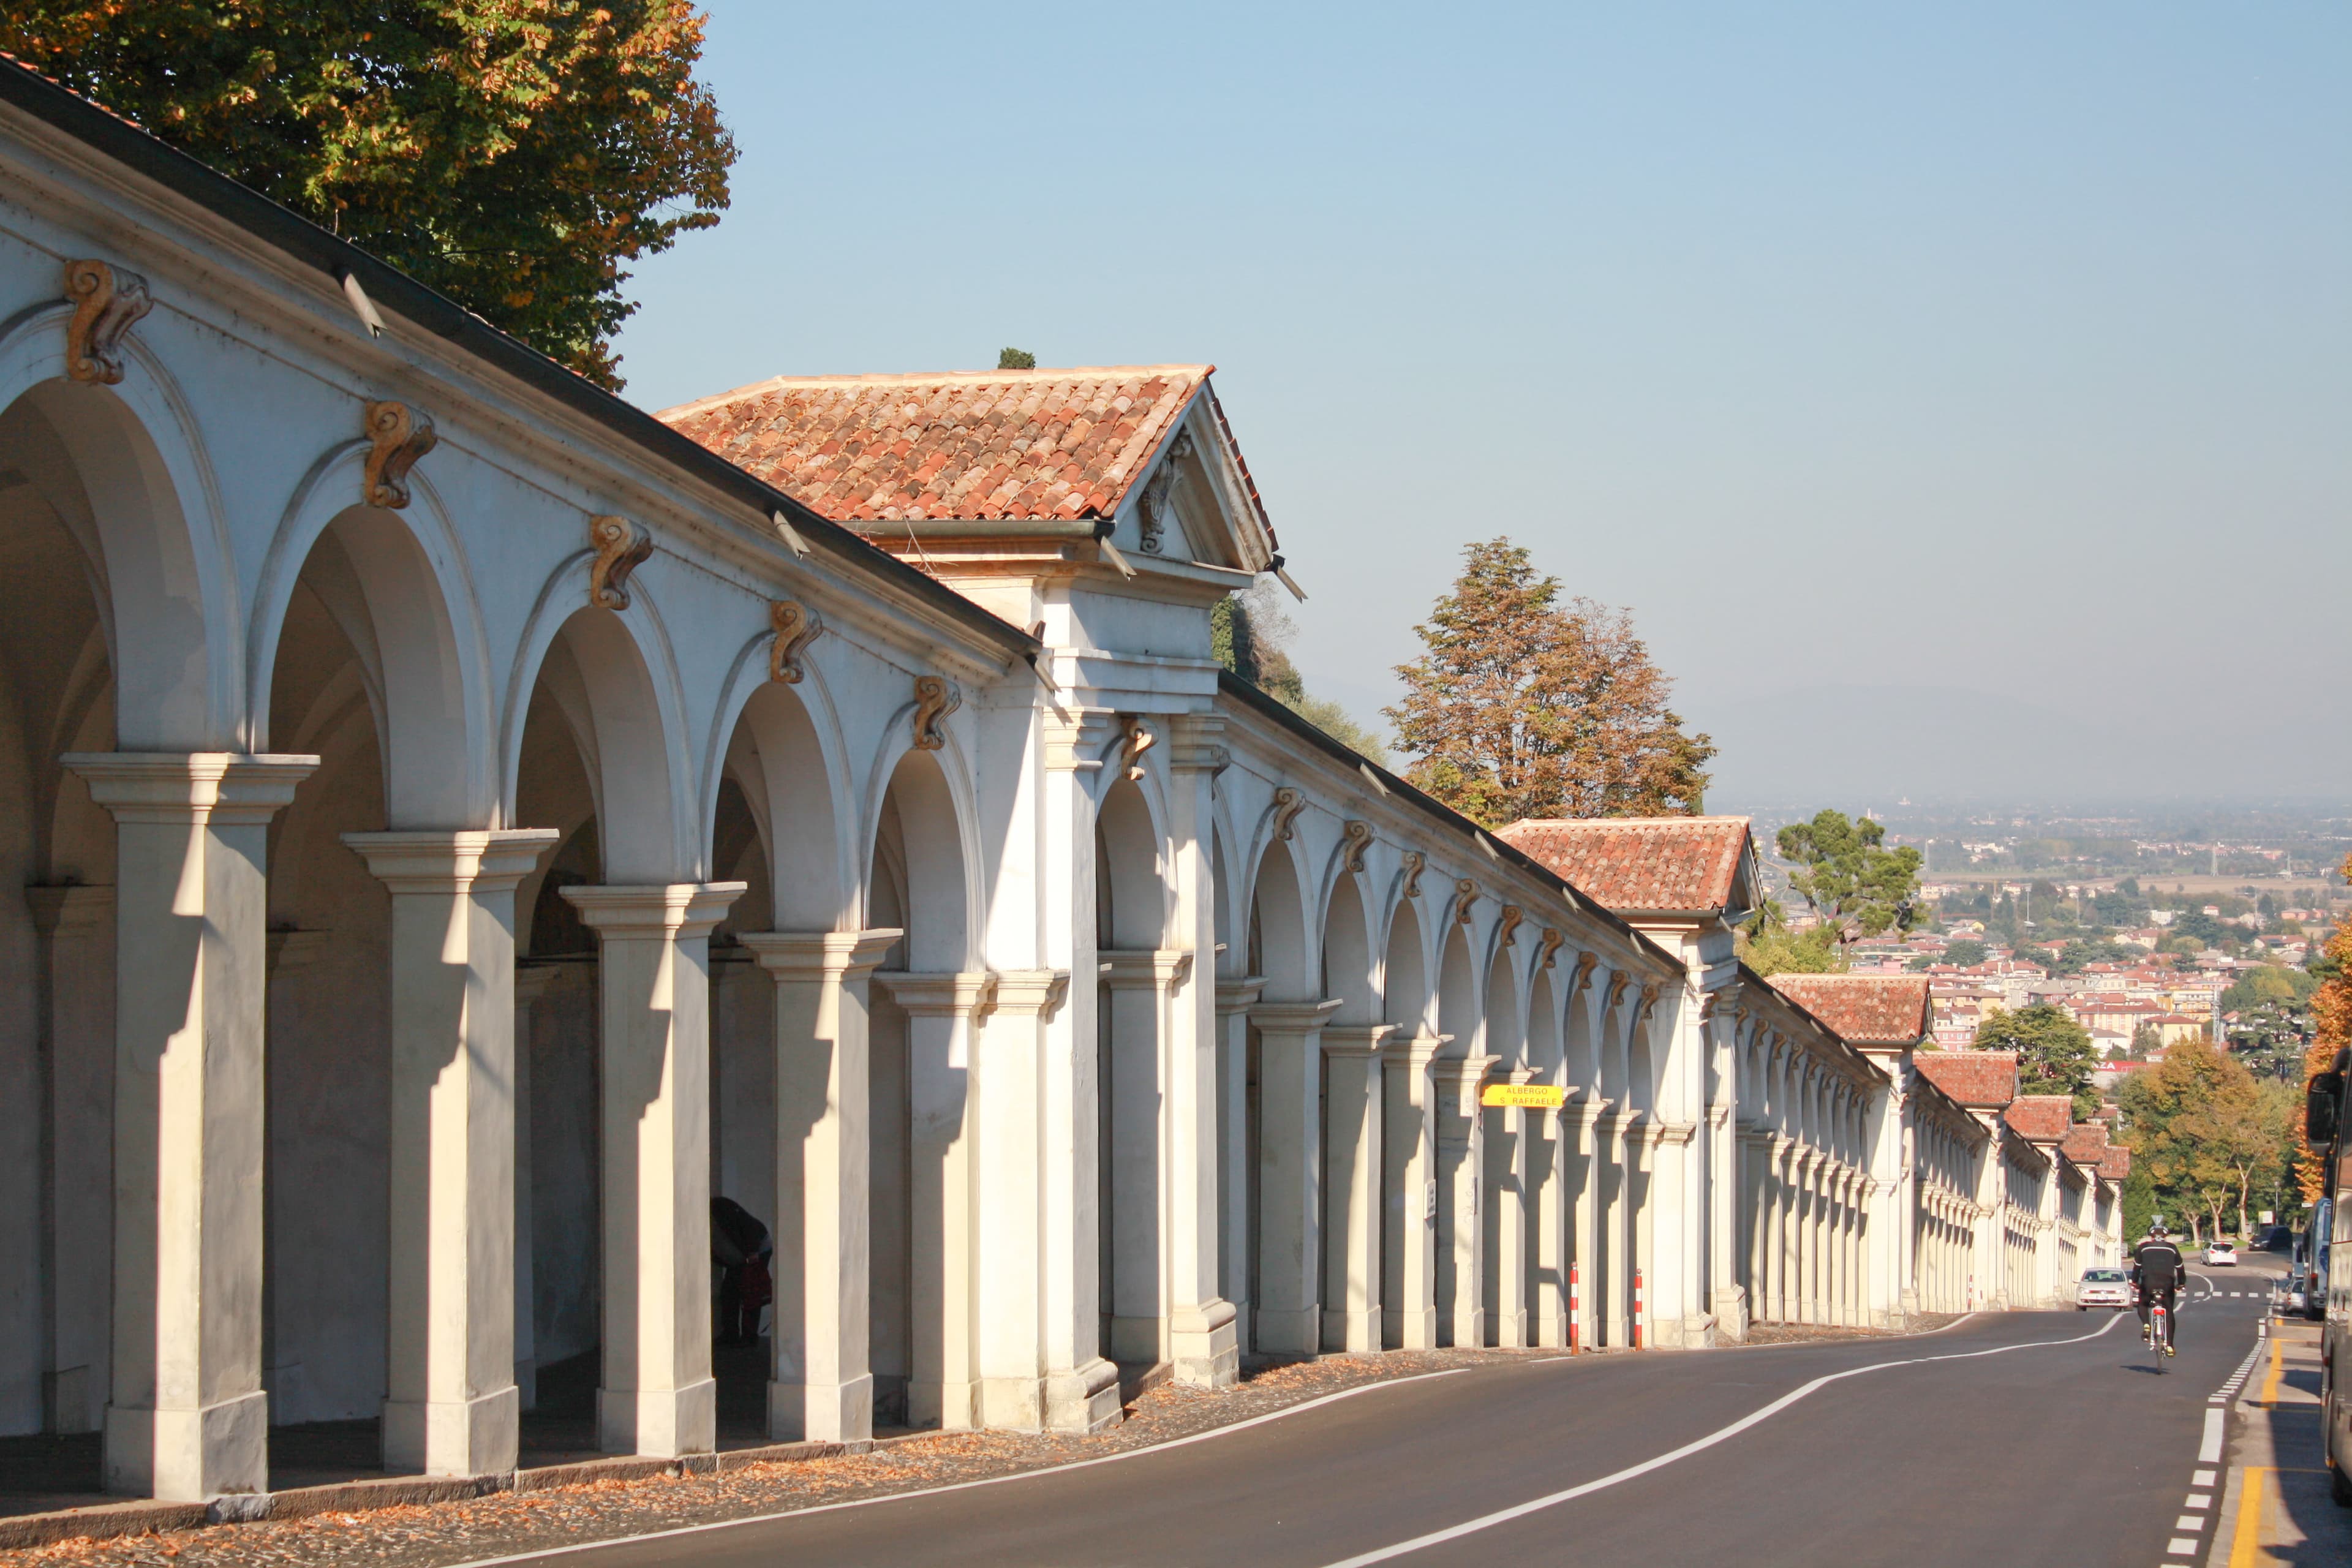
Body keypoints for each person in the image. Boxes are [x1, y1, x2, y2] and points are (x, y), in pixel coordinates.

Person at [2132, 1219, 2185, 1355]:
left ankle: (2146, 1325)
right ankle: (2170, 1346)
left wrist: (2135, 1282)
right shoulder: (2172, 1248)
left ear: (2152, 1236)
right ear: (2165, 1236)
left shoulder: (2143, 1248)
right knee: (2169, 1311)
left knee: (2143, 1304)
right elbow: (2180, 1268)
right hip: (2167, 1282)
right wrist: (2181, 1283)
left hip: (2148, 1281)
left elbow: (2137, 1268)